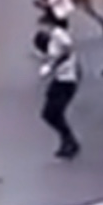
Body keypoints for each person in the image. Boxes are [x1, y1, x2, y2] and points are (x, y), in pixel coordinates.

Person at [36, 24, 82, 158]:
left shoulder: (58, 43)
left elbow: (66, 53)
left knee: (53, 113)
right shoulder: (52, 49)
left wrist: (51, 66)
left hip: (67, 81)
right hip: (60, 80)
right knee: (50, 114)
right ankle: (67, 140)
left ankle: (70, 141)